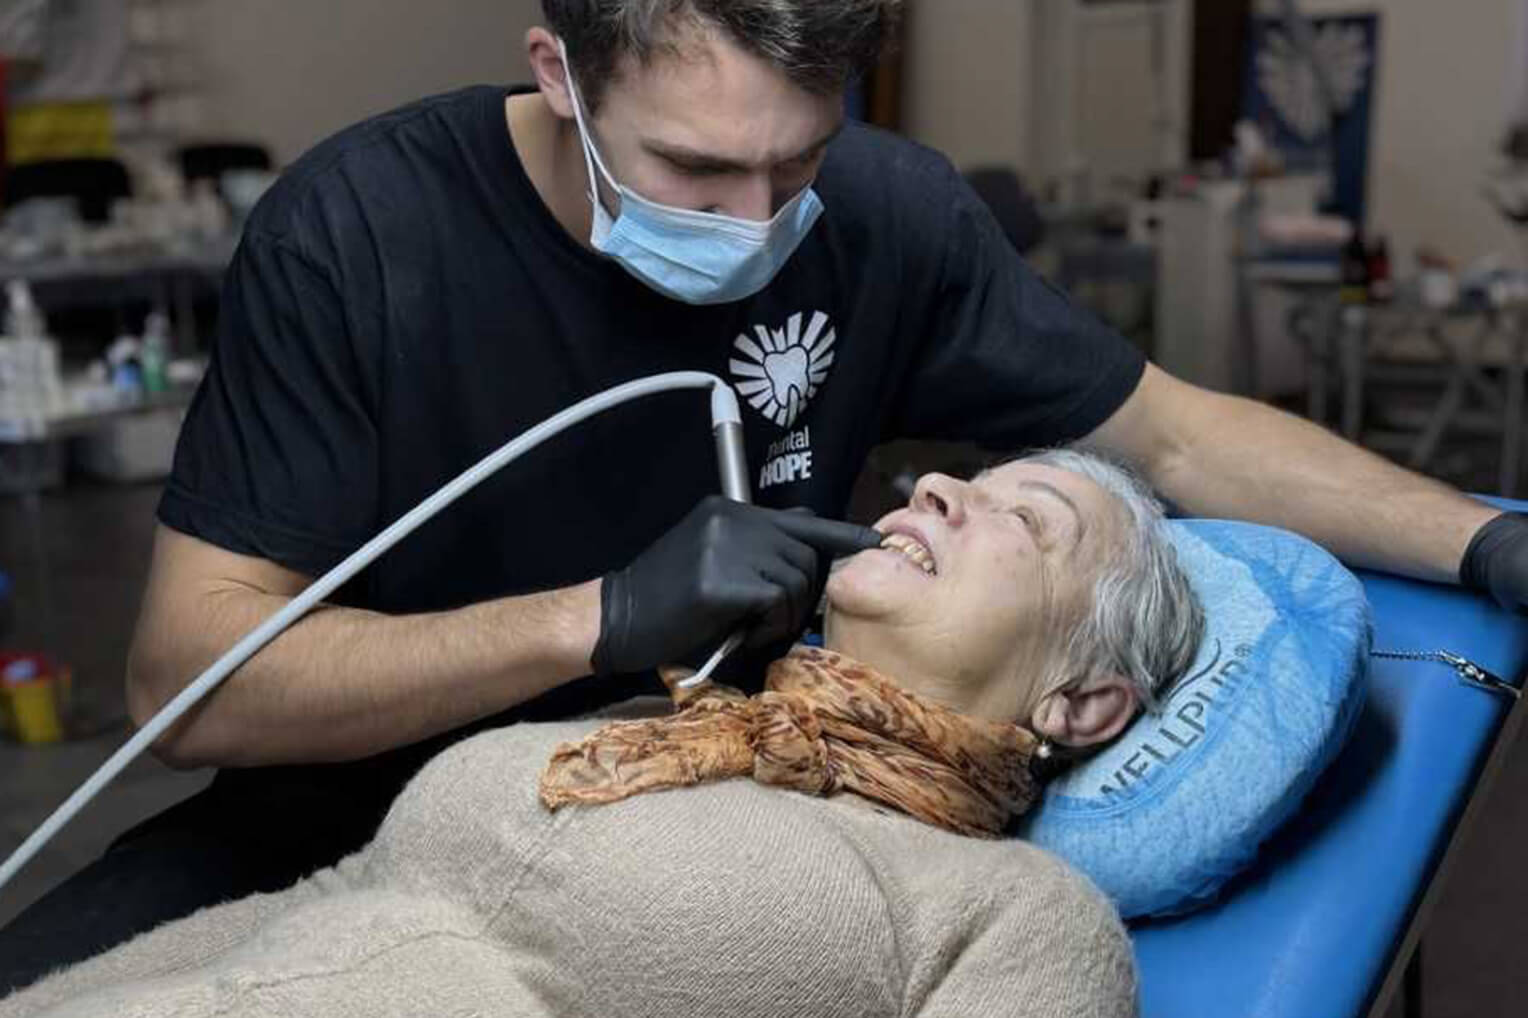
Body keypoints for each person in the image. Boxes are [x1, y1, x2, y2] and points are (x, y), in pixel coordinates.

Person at [2, 0, 1525, 992]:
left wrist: (1488, 535)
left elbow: (1179, 442)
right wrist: (593, 619)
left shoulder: (882, 218)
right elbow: (185, 681)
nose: (755, 225)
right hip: (348, 817)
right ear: (558, 72)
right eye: (694, 173)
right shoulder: (364, 234)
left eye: (797, 164)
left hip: (719, 811)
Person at [0, 453, 1203, 1018]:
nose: (940, 485)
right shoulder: (655, 729)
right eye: (960, 479)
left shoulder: (1013, 909)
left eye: (1024, 519)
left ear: (1083, 704)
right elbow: (333, 897)